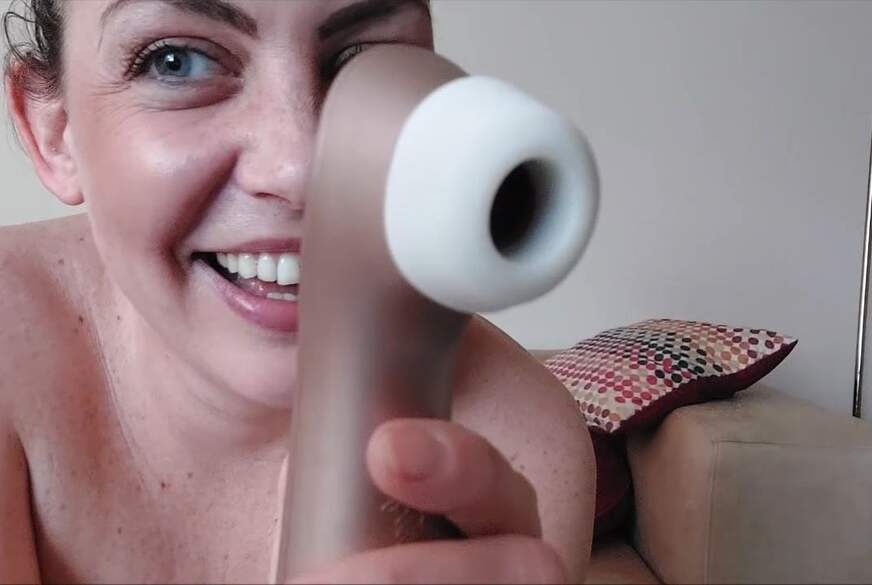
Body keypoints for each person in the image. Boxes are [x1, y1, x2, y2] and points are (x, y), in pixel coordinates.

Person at [0, 0, 596, 582]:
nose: (298, 168)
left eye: (364, 60)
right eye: (175, 61)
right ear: (54, 132)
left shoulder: (522, 445)